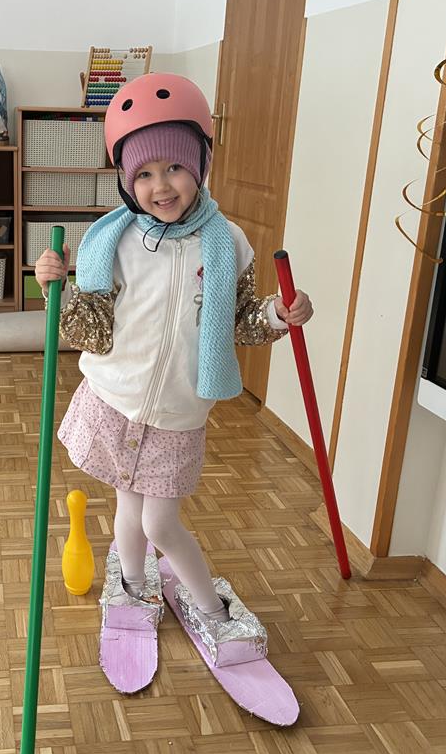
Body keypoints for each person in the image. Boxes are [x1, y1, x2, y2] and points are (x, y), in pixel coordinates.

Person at [34, 73, 314, 687]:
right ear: (125, 180)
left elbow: (242, 320)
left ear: (201, 165)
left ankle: (211, 609)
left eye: (174, 168)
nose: (160, 186)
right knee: (127, 505)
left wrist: (277, 314)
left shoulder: (228, 242)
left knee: (160, 523)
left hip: (178, 414)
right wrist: (55, 287)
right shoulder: (114, 241)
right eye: (143, 174)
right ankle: (134, 586)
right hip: (115, 400)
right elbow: (88, 327)